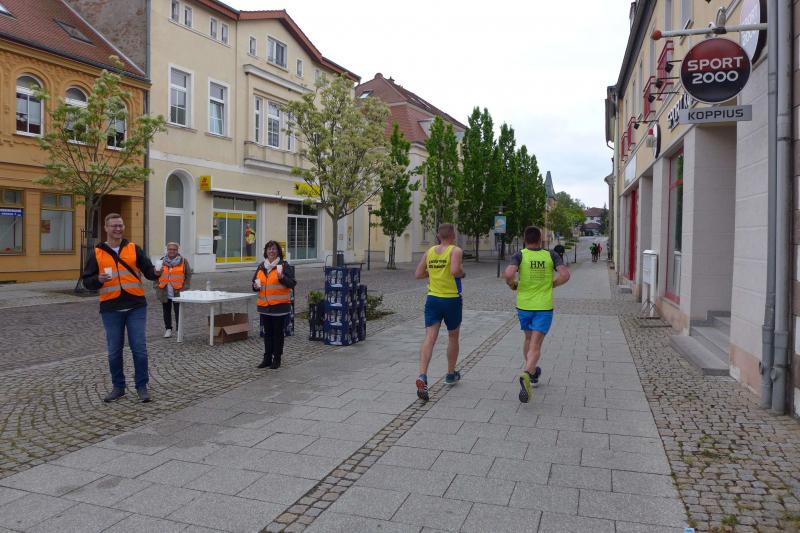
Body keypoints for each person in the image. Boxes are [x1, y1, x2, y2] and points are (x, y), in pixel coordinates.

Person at [81, 213, 161, 403]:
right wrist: (97, 279)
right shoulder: (97, 252)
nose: (118, 229)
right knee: (114, 351)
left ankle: (142, 386)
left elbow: (148, 271)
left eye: (120, 225)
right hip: (111, 308)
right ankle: (118, 387)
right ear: (106, 228)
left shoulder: (133, 248)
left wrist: (157, 272)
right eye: (114, 226)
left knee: (139, 348)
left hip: (135, 306)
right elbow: (87, 281)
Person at [504, 226, 570, 403]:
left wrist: (512, 284)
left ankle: (533, 373)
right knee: (536, 344)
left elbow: (508, 273)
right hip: (543, 307)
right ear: (540, 239)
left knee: (528, 339)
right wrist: (553, 284)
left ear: (525, 239)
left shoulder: (520, 255)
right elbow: (565, 275)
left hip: (524, 306)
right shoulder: (551, 255)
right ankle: (527, 373)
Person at [414, 223, 465, 401]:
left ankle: (422, 375)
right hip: (451, 299)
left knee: (430, 337)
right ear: (453, 235)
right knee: (453, 336)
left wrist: (433, 273)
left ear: (438, 236)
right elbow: (455, 271)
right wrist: (462, 273)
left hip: (433, 299)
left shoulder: (429, 252)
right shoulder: (455, 250)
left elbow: (418, 274)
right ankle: (450, 374)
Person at [252, 240, 296, 369]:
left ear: (278, 252)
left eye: (274, 249)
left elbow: (292, 283)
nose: (271, 251)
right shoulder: (261, 266)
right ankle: (267, 358)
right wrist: (255, 286)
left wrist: (282, 277)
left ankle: (277, 358)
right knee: (267, 334)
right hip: (265, 307)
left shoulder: (283, 265)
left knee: (277, 334)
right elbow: (254, 283)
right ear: (266, 252)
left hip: (279, 307)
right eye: (269, 249)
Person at [155, 242, 192, 338]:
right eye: (170, 249)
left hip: (178, 291)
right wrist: (156, 286)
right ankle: (168, 329)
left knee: (178, 311)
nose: (172, 251)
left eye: (174, 249)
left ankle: (179, 330)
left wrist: (185, 287)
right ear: (167, 250)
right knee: (166, 311)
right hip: (164, 290)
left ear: (177, 250)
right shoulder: (161, 261)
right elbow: (156, 275)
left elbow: (188, 275)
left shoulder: (183, 261)